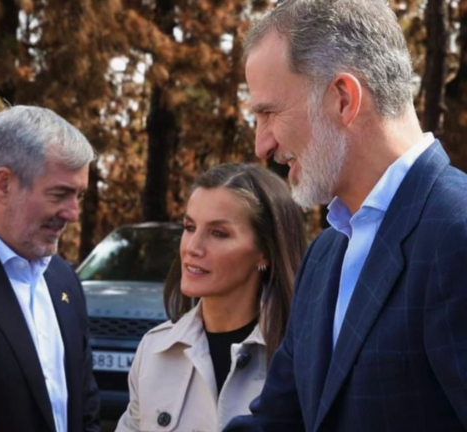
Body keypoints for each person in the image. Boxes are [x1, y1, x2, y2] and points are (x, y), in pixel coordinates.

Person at [225, 0, 467, 431]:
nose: (262, 146)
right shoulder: (325, 254)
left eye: (267, 113)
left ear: (343, 98)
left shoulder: (457, 231)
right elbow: (283, 420)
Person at [0, 105, 101, 432]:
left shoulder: (64, 279)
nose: (73, 213)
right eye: (60, 194)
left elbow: (86, 411)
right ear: (3, 184)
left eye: (79, 196)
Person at [116, 164, 307, 432]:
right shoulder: (154, 351)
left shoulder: (303, 356)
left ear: (264, 251)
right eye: (189, 227)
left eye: (218, 233)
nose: (192, 247)